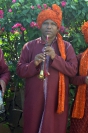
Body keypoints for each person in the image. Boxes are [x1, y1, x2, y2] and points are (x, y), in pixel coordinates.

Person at [16, 4, 78, 133]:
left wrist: (56, 57)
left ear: (57, 28)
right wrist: (34, 63)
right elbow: (20, 70)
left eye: (53, 24)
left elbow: (73, 70)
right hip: (34, 98)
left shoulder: (66, 47)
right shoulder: (29, 46)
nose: (49, 27)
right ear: (40, 25)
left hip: (56, 99)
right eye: (45, 23)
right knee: (33, 125)